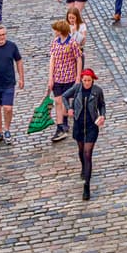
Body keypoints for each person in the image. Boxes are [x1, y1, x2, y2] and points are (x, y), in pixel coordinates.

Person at [63, 67, 106, 201]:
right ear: (81, 80)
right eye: (85, 80)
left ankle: (86, 185)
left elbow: (102, 105)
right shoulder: (77, 89)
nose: (87, 83)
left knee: (88, 153)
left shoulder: (97, 91)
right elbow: (64, 96)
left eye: (89, 80)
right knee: (81, 151)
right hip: (79, 124)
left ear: (92, 80)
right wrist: (69, 108)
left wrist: (103, 116)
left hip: (92, 125)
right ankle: (83, 168)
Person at [47, 18, 82, 142]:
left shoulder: (72, 43)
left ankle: (62, 125)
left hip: (69, 77)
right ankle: (60, 126)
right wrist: (50, 77)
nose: (54, 32)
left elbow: (78, 59)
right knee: (58, 101)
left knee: (64, 101)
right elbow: (52, 60)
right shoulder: (55, 42)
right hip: (57, 78)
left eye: (56, 30)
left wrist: (78, 77)